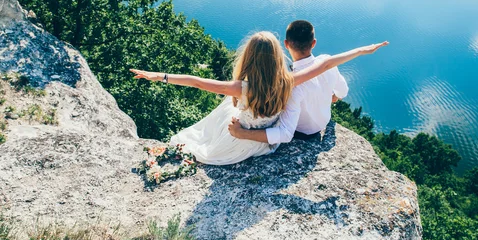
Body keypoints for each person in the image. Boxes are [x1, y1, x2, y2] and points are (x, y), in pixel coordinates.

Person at [130, 31, 387, 165]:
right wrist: (364, 50)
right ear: (277, 56)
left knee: (224, 111)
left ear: (249, 57)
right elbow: (327, 64)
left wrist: (158, 76)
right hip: (264, 144)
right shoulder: (289, 82)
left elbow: (195, 82)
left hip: (237, 141)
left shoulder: (241, 89)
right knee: (227, 108)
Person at [228, 20, 362, 145]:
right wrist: (334, 96)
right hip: (324, 122)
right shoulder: (327, 61)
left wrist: (242, 133)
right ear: (313, 43)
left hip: (302, 133)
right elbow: (343, 90)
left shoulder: (290, 85)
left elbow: (285, 134)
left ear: (286, 44)